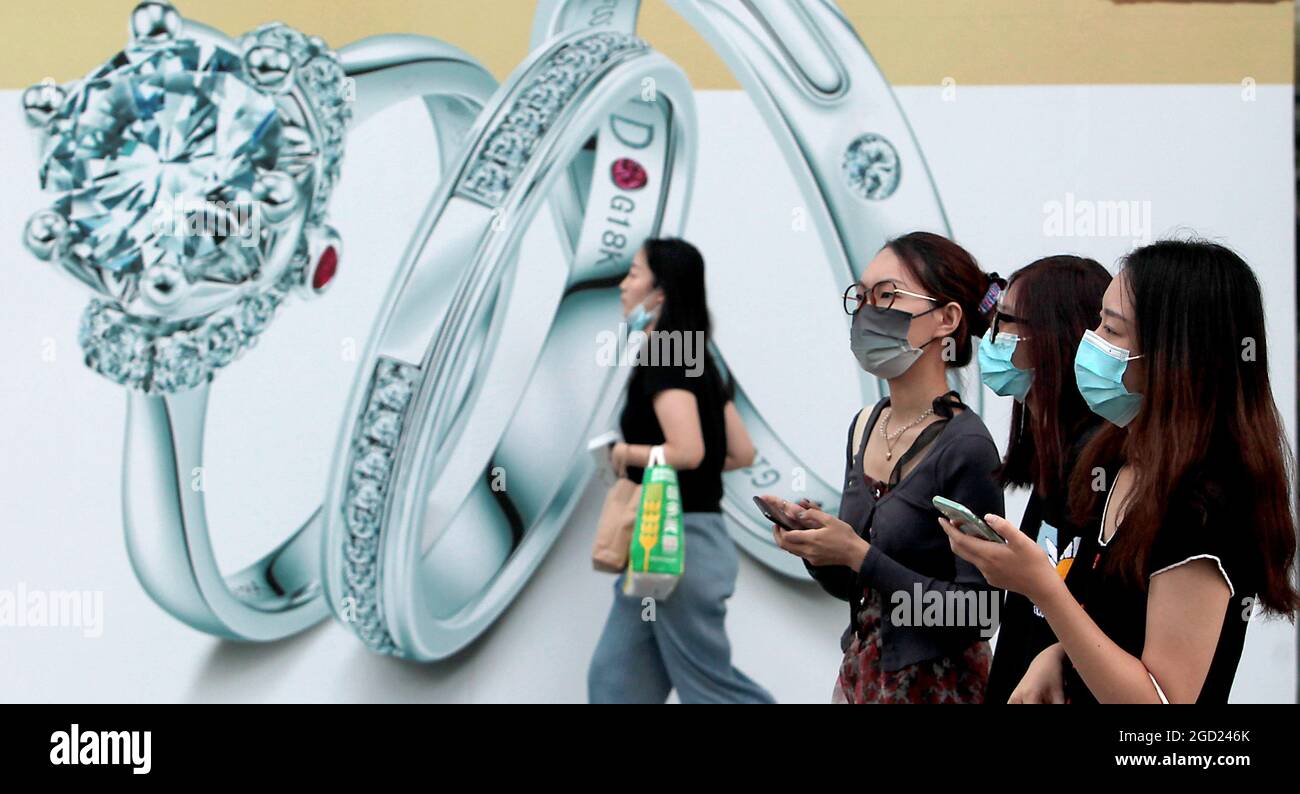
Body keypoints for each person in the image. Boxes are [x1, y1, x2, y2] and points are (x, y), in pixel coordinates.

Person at [944, 239, 1299, 703]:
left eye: (1112, 331)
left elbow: (1161, 698)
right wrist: (1055, 656)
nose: (1090, 343)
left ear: (1175, 355)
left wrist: (1041, 587)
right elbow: (1104, 631)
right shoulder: (1109, 458)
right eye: (1098, 323)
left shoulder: (1204, 506)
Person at [763, 231, 1004, 703]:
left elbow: (976, 612)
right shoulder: (864, 426)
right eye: (862, 297)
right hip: (861, 679)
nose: (868, 312)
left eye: (887, 295)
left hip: (938, 689)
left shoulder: (967, 446)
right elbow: (860, 592)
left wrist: (859, 554)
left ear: (946, 319)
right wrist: (817, 549)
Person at [587, 237, 775, 704]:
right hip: (671, 541)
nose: (623, 285)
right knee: (614, 683)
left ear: (660, 293)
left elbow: (687, 451)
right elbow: (740, 452)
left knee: (712, 691)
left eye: (633, 273)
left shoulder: (666, 355)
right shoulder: (698, 358)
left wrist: (624, 453)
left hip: (677, 545)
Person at [980, 255, 1111, 703]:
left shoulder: (1105, 469)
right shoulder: (1053, 456)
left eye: (1005, 321)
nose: (990, 335)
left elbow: (1106, 623)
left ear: (1054, 337)